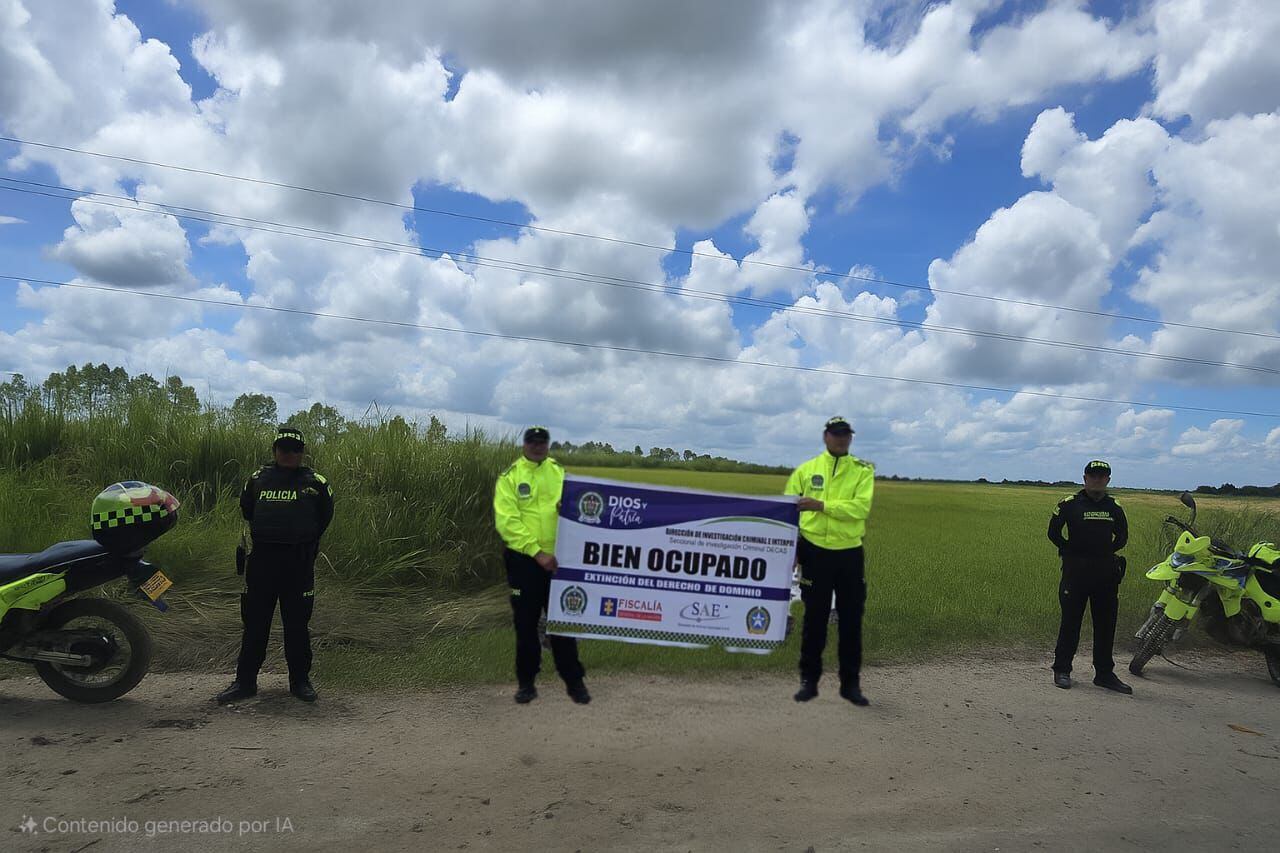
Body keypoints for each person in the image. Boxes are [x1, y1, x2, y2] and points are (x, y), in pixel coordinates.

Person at [217, 426, 334, 705]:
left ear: (302, 453)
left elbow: (324, 518)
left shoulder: (316, 483)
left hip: (298, 565)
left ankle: (300, 682)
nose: (288, 454)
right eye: (283, 448)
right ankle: (245, 683)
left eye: (295, 449)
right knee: (255, 625)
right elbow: (247, 510)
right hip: (262, 565)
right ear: (275, 450)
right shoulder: (257, 479)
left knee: (297, 626)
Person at [493, 426, 589, 705]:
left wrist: (568, 510)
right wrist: (537, 553)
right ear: (524, 445)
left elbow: (576, 507)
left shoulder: (558, 472)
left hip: (559, 561)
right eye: (532, 442)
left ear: (548, 445)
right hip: (524, 563)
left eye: (542, 442)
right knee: (525, 626)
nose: (537, 446)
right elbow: (508, 523)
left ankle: (575, 683)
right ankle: (526, 684)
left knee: (562, 625)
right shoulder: (510, 478)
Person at [784, 416, 875, 706]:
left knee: (850, 622)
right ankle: (808, 682)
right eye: (836, 434)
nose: (841, 438)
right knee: (815, 620)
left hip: (848, 553)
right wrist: (794, 546)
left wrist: (821, 505)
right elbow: (788, 509)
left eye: (846, 434)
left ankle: (851, 686)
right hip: (814, 552)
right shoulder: (806, 470)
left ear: (850, 438)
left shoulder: (863, 471)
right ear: (825, 436)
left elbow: (859, 509)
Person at [1048, 459, 1131, 694]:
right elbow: (1053, 533)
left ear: (1108, 480)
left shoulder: (1114, 507)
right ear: (1084, 478)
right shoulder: (1069, 504)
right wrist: (1070, 550)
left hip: (1105, 574)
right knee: (1070, 623)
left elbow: (1122, 537)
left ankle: (1104, 674)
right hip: (1076, 573)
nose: (1097, 479)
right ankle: (1062, 669)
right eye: (1093, 475)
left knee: (1106, 626)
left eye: (1102, 476)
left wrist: (1104, 553)